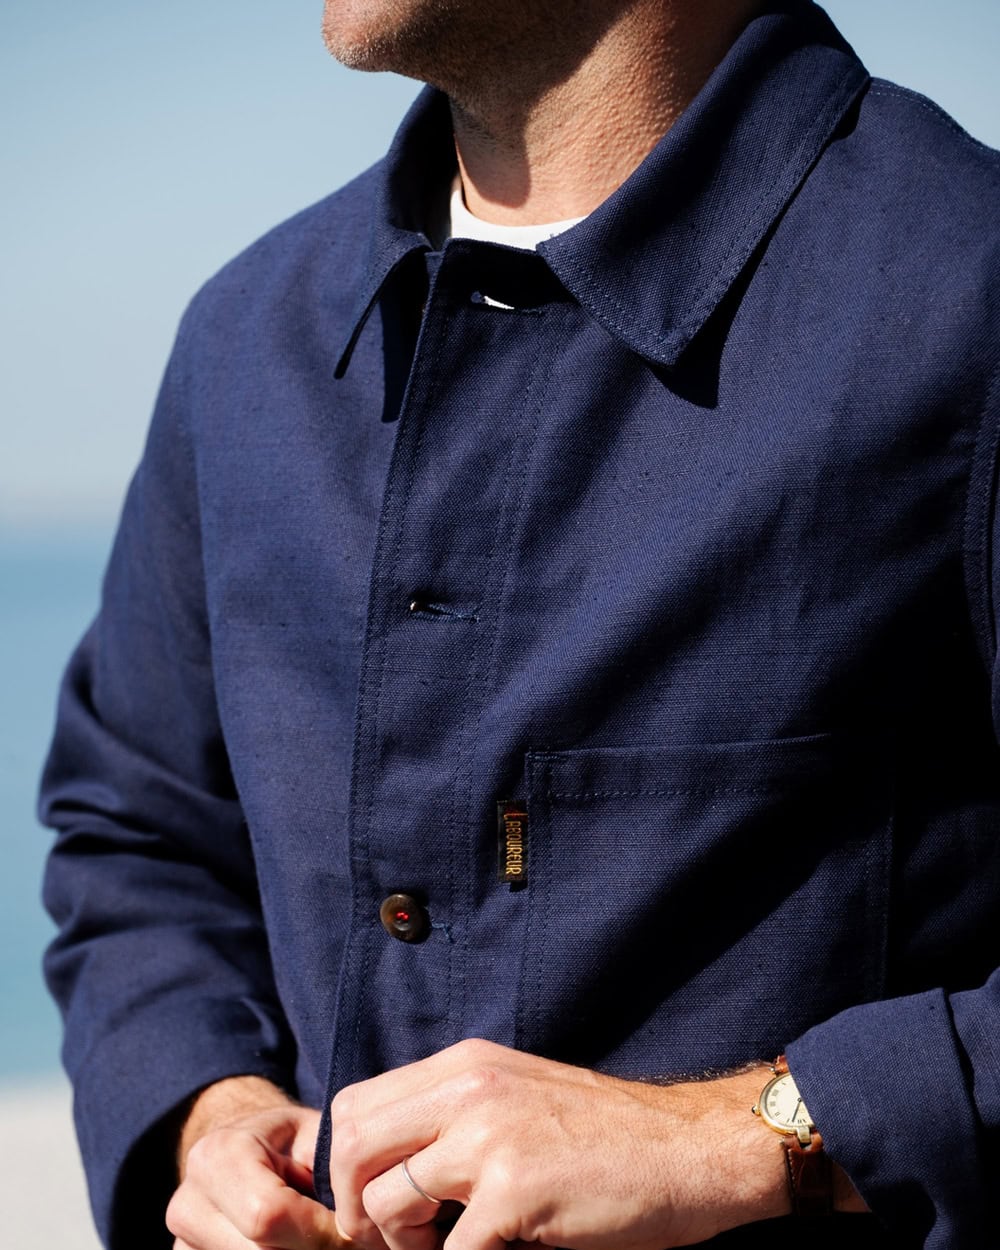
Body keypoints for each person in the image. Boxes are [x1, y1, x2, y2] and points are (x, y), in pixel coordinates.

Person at [39, 0, 1000, 1247]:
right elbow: (140, 834)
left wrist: (745, 1135)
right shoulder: (245, 344)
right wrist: (211, 1112)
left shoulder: (965, 291)